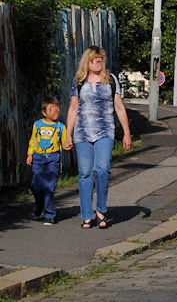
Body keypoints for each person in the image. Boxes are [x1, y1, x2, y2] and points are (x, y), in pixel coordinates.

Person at [64, 45, 133, 230]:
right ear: (88, 61)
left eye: (101, 59)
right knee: (85, 173)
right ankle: (87, 215)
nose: (99, 62)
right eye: (95, 59)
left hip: (105, 131)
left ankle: (101, 209)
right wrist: (67, 134)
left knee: (102, 169)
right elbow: (73, 108)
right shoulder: (79, 81)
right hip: (83, 132)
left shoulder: (110, 80)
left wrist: (126, 133)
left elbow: (119, 107)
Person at [26, 96, 66, 225]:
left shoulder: (61, 127)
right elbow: (33, 140)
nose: (55, 112)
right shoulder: (37, 125)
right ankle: (39, 205)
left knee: (49, 186)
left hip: (53, 159)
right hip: (38, 157)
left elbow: (65, 143)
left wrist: (68, 145)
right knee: (36, 185)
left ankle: (49, 214)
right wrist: (29, 154)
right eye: (51, 110)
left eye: (57, 109)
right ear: (44, 112)